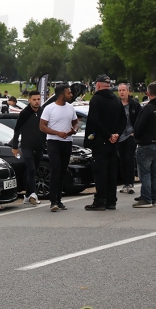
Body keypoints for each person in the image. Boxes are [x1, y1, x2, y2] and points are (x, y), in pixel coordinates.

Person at [83, 74, 126, 211]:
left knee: (100, 172)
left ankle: (100, 200)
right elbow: (123, 120)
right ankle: (111, 200)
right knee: (112, 171)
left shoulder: (96, 99)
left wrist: (108, 135)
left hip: (101, 141)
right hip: (113, 142)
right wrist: (116, 134)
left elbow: (95, 121)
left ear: (98, 85)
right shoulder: (116, 100)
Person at [40, 83, 78, 211]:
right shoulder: (49, 108)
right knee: (55, 169)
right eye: (69, 93)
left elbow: (75, 122)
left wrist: (74, 129)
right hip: (53, 142)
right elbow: (42, 126)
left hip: (67, 141)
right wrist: (57, 133)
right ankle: (53, 201)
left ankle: (59, 199)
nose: (71, 95)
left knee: (63, 170)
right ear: (61, 95)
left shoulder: (70, 108)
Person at [133, 83, 156, 208]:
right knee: (155, 172)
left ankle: (146, 198)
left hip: (147, 143)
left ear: (148, 93)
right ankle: (155, 197)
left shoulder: (148, 108)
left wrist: (136, 136)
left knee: (145, 172)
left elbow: (139, 126)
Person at [10, 90, 45, 205]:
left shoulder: (42, 112)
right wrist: (15, 147)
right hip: (27, 146)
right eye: (34, 100)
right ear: (29, 100)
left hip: (39, 146)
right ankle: (33, 194)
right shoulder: (24, 113)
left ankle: (26, 196)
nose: (36, 102)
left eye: (38, 99)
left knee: (34, 171)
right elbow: (17, 131)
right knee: (31, 169)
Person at [117, 83, 141, 195]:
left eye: (123, 90)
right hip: (119, 136)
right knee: (122, 159)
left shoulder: (134, 105)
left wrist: (135, 132)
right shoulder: (116, 104)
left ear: (128, 91)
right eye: (120, 90)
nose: (121, 92)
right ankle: (125, 182)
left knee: (129, 158)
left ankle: (130, 183)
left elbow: (140, 119)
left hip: (130, 135)